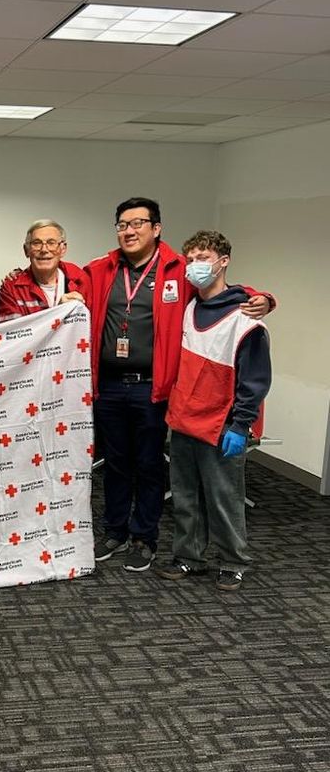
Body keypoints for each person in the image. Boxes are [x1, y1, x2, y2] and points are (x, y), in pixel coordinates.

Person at [86, 198, 274, 573]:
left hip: (153, 388)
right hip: (108, 385)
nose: (129, 230)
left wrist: (264, 299)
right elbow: (62, 277)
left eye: (138, 222)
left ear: (156, 229)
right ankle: (116, 530)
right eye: (122, 223)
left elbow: (228, 292)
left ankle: (144, 538)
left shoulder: (178, 271)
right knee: (116, 465)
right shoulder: (101, 269)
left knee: (150, 465)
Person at [159, 230, 271, 591]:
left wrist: (241, 425)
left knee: (224, 499)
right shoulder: (190, 306)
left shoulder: (246, 317)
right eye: (190, 259)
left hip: (222, 425)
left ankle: (233, 561)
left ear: (223, 261)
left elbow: (255, 380)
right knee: (186, 498)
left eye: (203, 258)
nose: (194, 266)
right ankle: (189, 556)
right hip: (184, 420)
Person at [0, 220, 90, 321]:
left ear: (63, 249)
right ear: (26, 250)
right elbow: (13, 334)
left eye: (51, 243)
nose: (44, 250)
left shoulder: (82, 281)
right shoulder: (11, 289)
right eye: (36, 243)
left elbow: (92, 329)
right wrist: (60, 313)